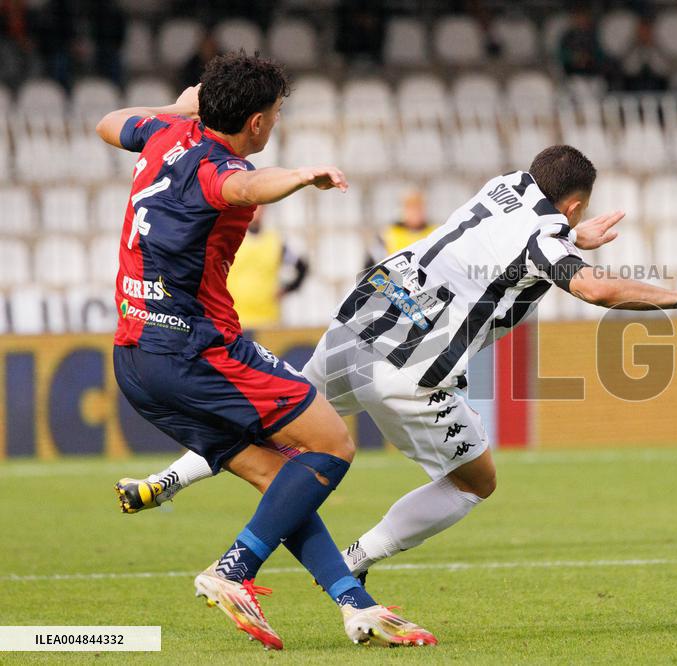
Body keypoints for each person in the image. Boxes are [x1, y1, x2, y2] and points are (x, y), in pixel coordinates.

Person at [115, 145, 677, 589]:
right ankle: (355, 558)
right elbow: (592, 288)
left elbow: (529, 234)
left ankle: (164, 482)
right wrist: (675, 296)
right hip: (412, 371)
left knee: (275, 416)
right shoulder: (547, 237)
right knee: (473, 483)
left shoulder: (505, 185)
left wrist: (570, 235)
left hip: (363, 319)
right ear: (572, 204)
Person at [97, 52, 435, 650]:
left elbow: (107, 122)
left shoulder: (165, 131)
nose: (276, 122)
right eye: (276, 113)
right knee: (332, 444)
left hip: (135, 358)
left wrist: (178, 107)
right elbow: (246, 185)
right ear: (256, 122)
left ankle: (356, 607)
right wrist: (301, 176)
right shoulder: (221, 169)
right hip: (195, 350)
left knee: (282, 480)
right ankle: (233, 571)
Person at [227, 206, 309, 330]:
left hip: (269, 319)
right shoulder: (230, 239)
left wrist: (287, 289)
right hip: (236, 319)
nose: (256, 210)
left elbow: (301, 267)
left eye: (260, 206)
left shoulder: (275, 241)